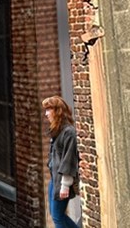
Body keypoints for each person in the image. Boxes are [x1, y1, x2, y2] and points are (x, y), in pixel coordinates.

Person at [43, 95, 80, 228]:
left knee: (58, 217)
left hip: (62, 181)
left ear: (58, 111)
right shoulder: (57, 130)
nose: (46, 113)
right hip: (54, 180)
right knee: (55, 216)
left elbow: (69, 159)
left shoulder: (68, 132)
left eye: (49, 110)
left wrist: (65, 185)